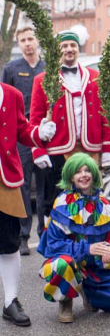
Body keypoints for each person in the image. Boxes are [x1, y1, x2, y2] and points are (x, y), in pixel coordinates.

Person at [38, 153, 110, 323]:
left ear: (94, 174)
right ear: (71, 176)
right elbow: (53, 246)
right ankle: (65, 300)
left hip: (94, 268)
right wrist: (87, 249)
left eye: (87, 170)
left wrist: (109, 257)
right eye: (78, 172)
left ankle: (91, 296)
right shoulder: (62, 203)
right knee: (63, 264)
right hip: (69, 264)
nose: (83, 175)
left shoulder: (104, 205)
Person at [29, 30, 110, 224]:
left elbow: (105, 115)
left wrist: (107, 149)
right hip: (58, 150)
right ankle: (59, 247)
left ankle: (91, 243)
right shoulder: (43, 79)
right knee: (58, 202)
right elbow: (34, 118)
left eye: (72, 45)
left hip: (89, 148)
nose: (69, 49)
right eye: (65, 46)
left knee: (90, 200)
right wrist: (38, 150)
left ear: (78, 48)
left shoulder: (95, 76)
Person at [0, 82, 55, 326]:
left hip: (5, 180)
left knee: (9, 242)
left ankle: (10, 301)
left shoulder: (11, 94)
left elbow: (21, 130)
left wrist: (38, 133)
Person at [1, 26, 47, 253]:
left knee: (45, 187)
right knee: (23, 185)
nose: (27, 43)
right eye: (22, 41)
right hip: (20, 136)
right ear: (18, 45)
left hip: (43, 133)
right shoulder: (11, 68)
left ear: (37, 41)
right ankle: (23, 235)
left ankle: (44, 233)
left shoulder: (48, 67)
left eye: (30, 39)